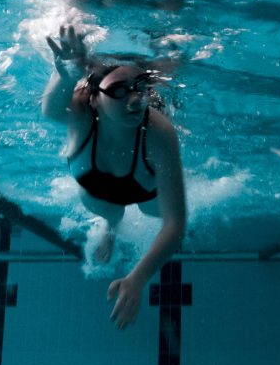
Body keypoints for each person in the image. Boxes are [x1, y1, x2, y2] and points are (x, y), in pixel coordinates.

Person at [41, 25, 187, 329]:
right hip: (98, 189)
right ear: (95, 98)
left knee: (153, 212)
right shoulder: (80, 114)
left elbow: (175, 223)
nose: (135, 99)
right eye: (120, 91)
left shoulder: (159, 132)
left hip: (145, 185)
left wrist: (137, 278)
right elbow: (50, 110)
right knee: (108, 211)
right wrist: (67, 75)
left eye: (140, 87)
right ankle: (111, 227)